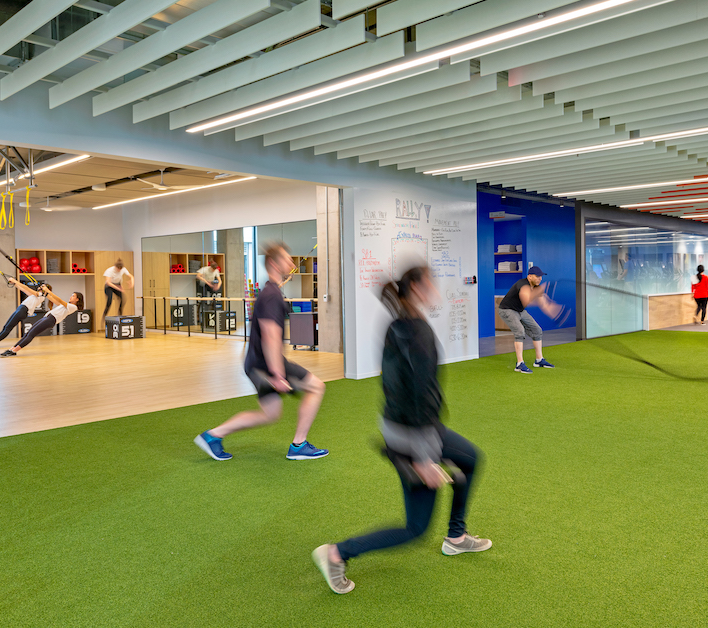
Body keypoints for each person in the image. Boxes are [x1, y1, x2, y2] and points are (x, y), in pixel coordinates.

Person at [312, 266, 490, 595]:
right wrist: (423, 459)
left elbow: (398, 389)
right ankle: (337, 553)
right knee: (416, 528)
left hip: (408, 431)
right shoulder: (416, 332)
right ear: (419, 288)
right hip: (414, 438)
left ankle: (457, 536)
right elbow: (419, 396)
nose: (436, 289)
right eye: (432, 284)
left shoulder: (398, 325)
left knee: (471, 459)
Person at [194, 242, 327, 461]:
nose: (292, 263)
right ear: (274, 264)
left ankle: (213, 436)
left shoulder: (270, 291)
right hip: (266, 364)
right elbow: (270, 336)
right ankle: (298, 445)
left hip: (256, 363)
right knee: (316, 387)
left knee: (270, 414)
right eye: (286, 259)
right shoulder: (272, 296)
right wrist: (277, 374)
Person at [497, 266, 561, 374]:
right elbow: (526, 299)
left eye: (541, 276)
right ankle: (519, 364)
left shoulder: (536, 286)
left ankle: (539, 360)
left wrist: (555, 311)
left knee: (537, 330)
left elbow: (543, 302)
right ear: (530, 276)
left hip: (520, 311)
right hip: (507, 310)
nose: (540, 279)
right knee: (520, 331)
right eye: (537, 276)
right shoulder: (522, 284)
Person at [0, 288, 84, 357]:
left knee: (31, 334)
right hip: (47, 317)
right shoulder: (67, 306)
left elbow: (60, 300)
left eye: (73, 296)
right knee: (28, 333)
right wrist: (45, 294)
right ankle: (11, 349)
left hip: (51, 320)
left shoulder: (73, 307)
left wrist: (48, 290)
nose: (71, 297)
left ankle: (14, 351)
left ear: (77, 299)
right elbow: (55, 301)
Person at [0, 278, 50, 349]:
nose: (40, 286)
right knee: (6, 327)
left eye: (43, 286)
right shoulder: (37, 295)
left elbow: (27, 288)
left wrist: (15, 281)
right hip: (20, 309)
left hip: (22, 311)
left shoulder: (41, 295)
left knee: (7, 328)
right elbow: (24, 289)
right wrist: (14, 284)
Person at [101, 258, 133, 327]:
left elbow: (131, 276)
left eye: (120, 270)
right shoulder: (109, 270)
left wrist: (131, 283)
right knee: (109, 301)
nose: (119, 271)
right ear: (115, 267)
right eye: (118, 269)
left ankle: (120, 315)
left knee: (123, 299)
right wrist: (119, 288)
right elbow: (109, 283)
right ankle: (104, 317)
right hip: (109, 286)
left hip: (117, 285)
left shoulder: (123, 269)